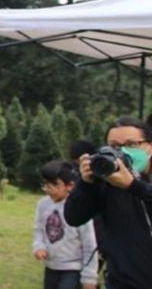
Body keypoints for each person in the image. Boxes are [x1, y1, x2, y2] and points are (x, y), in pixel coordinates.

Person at [65, 116, 152, 289]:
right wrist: (86, 183)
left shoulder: (135, 184)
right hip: (122, 281)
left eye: (131, 144)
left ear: (149, 146)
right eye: (114, 146)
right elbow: (73, 217)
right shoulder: (107, 181)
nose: (123, 151)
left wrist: (133, 186)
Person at [33, 160, 98, 289]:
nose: (49, 189)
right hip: (51, 266)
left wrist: (89, 278)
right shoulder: (43, 204)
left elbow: (89, 245)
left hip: (72, 269)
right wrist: (38, 246)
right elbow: (39, 230)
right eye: (46, 184)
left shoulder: (79, 208)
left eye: (55, 184)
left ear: (70, 186)